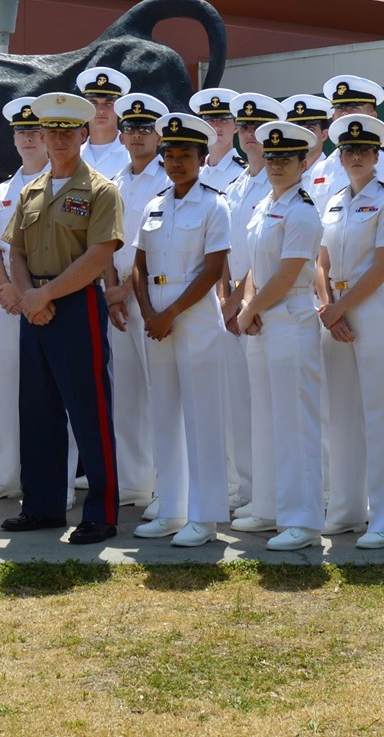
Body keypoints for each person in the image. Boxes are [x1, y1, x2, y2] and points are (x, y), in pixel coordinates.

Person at [2, 91, 127, 544]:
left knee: (89, 411)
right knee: (38, 410)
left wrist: (45, 295)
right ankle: (42, 505)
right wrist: (27, 293)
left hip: (76, 307)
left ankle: (101, 512)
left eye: (65, 131)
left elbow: (99, 256)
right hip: (36, 305)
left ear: (81, 133)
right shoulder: (30, 190)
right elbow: (15, 249)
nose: (56, 139)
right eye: (48, 131)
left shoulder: (100, 190)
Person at [130, 112, 230, 547]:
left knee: (202, 416)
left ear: (201, 158)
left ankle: (204, 517)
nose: (176, 162)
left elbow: (213, 269)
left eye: (185, 155)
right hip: (156, 318)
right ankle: (170, 508)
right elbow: (138, 265)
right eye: (170, 154)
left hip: (195, 319)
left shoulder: (214, 203)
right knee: (164, 415)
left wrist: (169, 314)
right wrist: (150, 311)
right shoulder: (154, 203)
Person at [230, 120, 326, 550]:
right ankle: (269, 506)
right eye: (271, 157)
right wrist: (249, 307)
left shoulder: (303, 209)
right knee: (266, 420)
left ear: (303, 162)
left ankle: (302, 520)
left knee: (295, 424)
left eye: (286, 158)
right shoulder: (267, 204)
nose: (276, 165)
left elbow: (287, 275)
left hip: (289, 320)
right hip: (264, 323)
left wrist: (249, 309)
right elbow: (255, 268)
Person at [318, 112, 384, 549]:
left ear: (377, 156)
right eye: (348, 150)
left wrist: (338, 309)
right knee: (341, 416)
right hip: (335, 312)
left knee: (380, 415)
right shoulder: (333, 201)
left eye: (363, 150)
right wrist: (327, 306)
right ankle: (347, 509)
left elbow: (381, 268)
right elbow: (320, 262)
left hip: (368, 310)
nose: (355, 156)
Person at [0, 97, 53, 505]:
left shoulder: (65, 185)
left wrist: (37, 294)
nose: (28, 139)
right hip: (10, 303)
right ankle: (3, 476)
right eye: (21, 132)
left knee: (54, 394)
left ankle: (51, 480)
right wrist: (5, 287)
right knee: (7, 391)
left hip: (51, 302)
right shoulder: (2, 190)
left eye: (36, 132)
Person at [106, 92, 169, 514]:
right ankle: (133, 482)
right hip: (117, 298)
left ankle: (167, 485)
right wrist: (110, 287)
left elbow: (158, 245)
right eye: (130, 128)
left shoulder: (169, 181)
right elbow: (107, 241)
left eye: (145, 129)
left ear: (160, 135)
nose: (136, 136)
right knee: (126, 393)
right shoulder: (114, 181)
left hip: (153, 297)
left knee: (160, 392)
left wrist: (126, 288)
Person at [223, 94, 281, 526]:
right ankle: (250, 490)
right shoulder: (237, 184)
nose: (248, 133)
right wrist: (227, 296)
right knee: (242, 405)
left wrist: (246, 300)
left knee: (275, 406)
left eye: (257, 126)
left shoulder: (279, 184)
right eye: (243, 126)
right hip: (234, 308)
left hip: (268, 306)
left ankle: (287, 492)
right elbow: (227, 249)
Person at [73, 67, 132, 184]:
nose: (100, 110)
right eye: (93, 103)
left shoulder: (131, 155)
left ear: (118, 107)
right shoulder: (73, 155)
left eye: (108, 103)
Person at [190, 88, 245, 196]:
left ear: (236, 126)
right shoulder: (193, 171)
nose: (216, 126)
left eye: (223, 120)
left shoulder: (242, 174)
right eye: (210, 120)